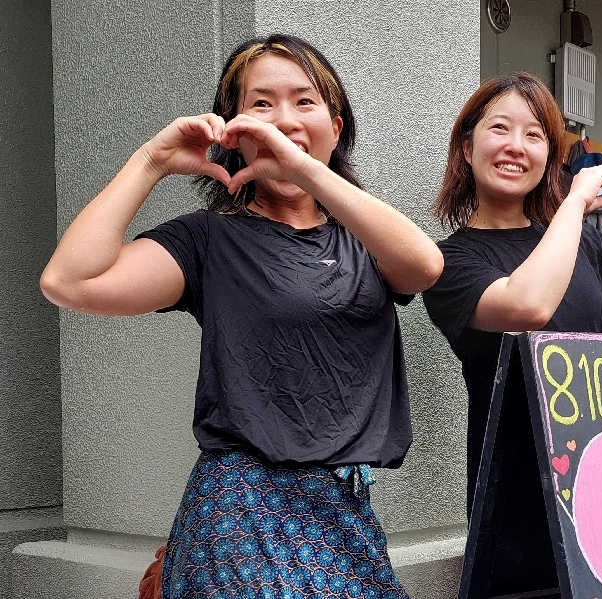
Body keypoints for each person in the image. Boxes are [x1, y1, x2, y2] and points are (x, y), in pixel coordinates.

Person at [40, 35, 443, 599]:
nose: (283, 120)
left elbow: (425, 266)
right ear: (234, 129)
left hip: (346, 510)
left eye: (305, 102)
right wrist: (151, 160)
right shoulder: (209, 240)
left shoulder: (366, 239)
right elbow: (69, 282)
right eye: (261, 104)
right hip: (242, 516)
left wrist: (307, 171)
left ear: (337, 121)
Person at [421, 73, 602, 595]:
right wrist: (573, 203)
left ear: (549, 154)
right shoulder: (451, 260)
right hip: (517, 503)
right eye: (499, 128)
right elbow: (529, 306)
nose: (515, 147)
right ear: (467, 146)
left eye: (534, 135)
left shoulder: (584, 245)